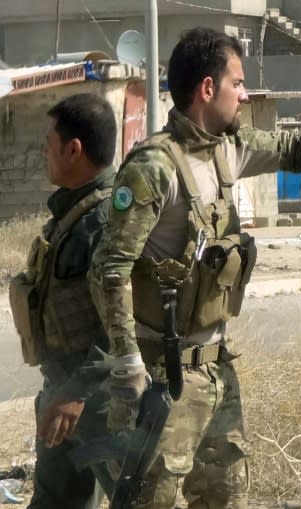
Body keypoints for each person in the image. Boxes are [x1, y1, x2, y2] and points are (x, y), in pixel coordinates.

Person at [89, 27, 301, 509]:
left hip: (215, 373)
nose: (245, 93)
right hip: (160, 377)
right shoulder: (154, 166)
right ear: (207, 89)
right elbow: (109, 269)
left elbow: (295, 146)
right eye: (237, 82)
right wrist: (128, 363)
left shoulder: (227, 147)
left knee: (226, 498)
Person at [8, 93, 116, 509]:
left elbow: (125, 326)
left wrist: (79, 392)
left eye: (48, 141)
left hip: (102, 403)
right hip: (64, 394)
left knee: (133, 499)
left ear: (74, 150)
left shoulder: (106, 221)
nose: (43, 151)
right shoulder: (71, 216)